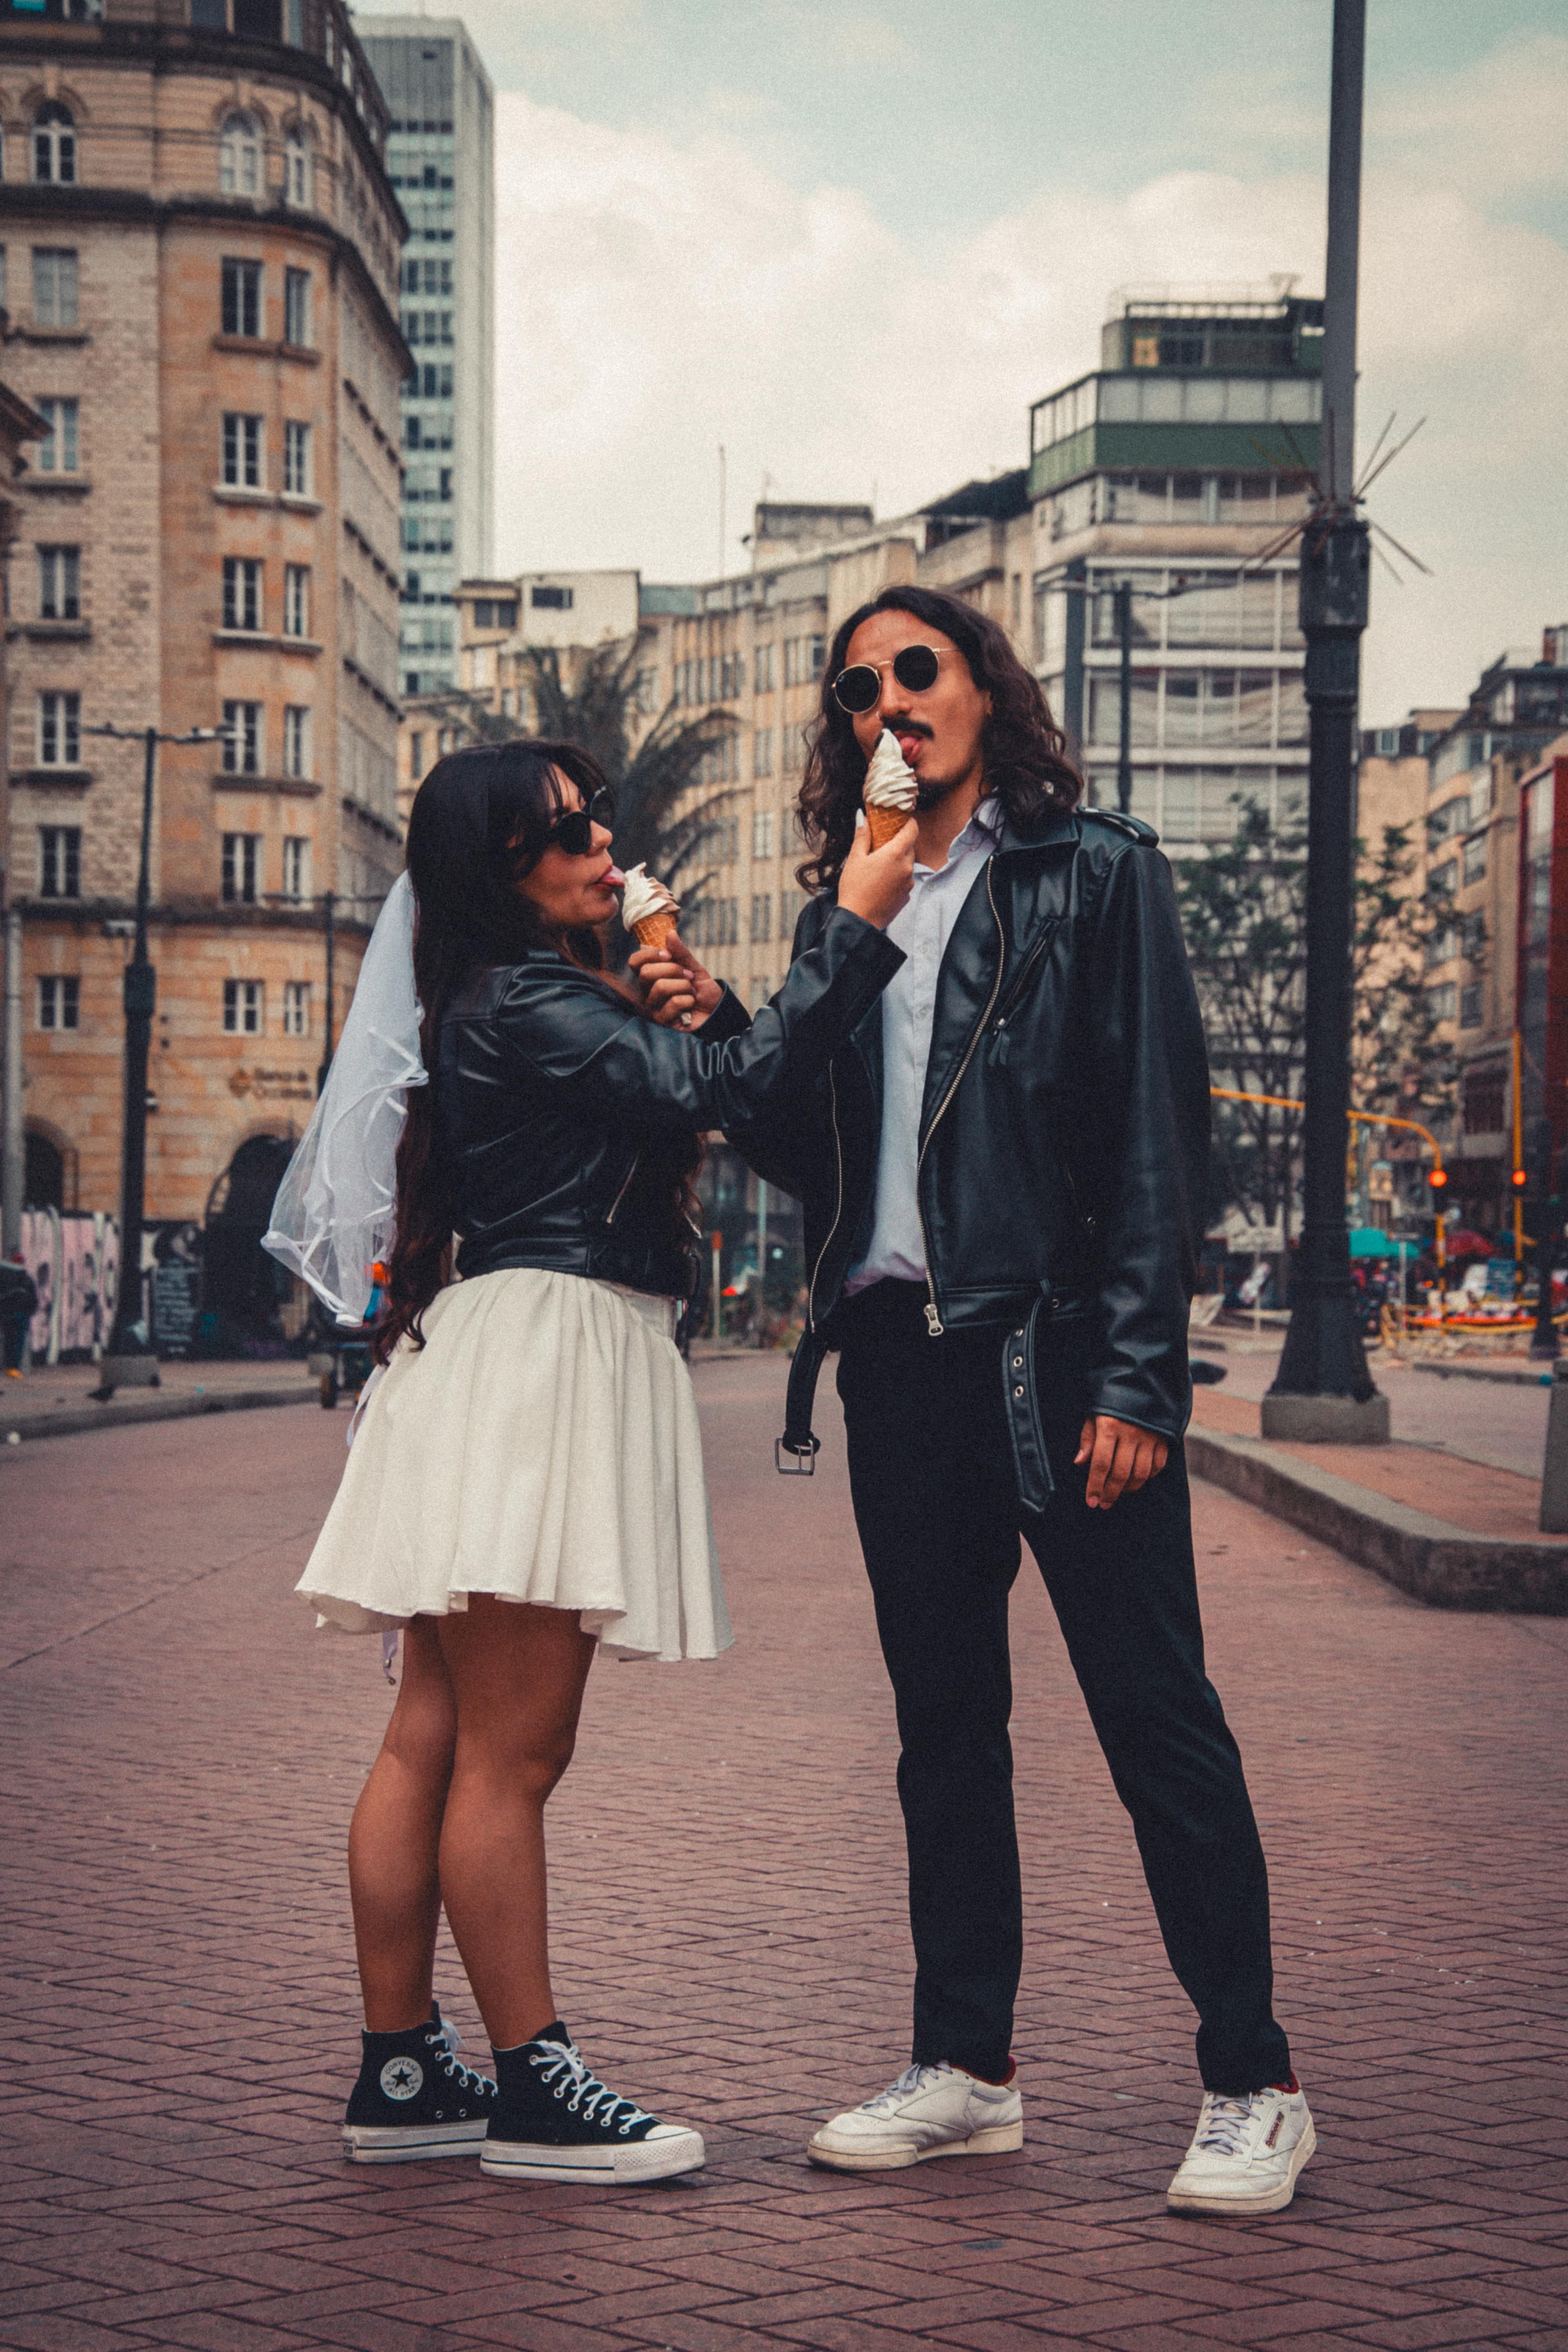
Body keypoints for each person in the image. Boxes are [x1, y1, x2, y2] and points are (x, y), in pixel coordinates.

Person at [726, 586, 1313, 2218]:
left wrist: (1138, 1376)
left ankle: (1255, 2078)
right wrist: (849, 920)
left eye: (920, 669)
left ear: (988, 688)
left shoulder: (1094, 872)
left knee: (1154, 1717)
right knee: (942, 1736)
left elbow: (1149, 1141)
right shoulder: (843, 896)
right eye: (859, 689)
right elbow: (776, 1126)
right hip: (900, 1364)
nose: (890, 703)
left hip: (1054, 1353)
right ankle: (968, 2068)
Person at [276, 739, 910, 2184]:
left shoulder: (505, 998)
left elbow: (713, 1085)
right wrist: (855, 927)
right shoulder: (532, 997)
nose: (604, 842)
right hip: (549, 1349)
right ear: (502, 869)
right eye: (569, 830)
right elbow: (738, 1079)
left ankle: (402, 2072)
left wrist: (673, 990)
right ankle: (534, 2089)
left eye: (597, 817)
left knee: (433, 1731)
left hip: (497, 1347)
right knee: (514, 1750)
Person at [0, 1249, 38, 1376]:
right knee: (17, 1343)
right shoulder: (27, 1279)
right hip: (18, 1315)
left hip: (11, 1314)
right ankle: (12, 1367)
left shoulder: (7, 1279)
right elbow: (34, 1299)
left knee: (10, 1342)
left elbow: (33, 1299)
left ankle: (11, 1367)